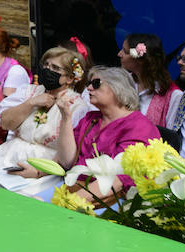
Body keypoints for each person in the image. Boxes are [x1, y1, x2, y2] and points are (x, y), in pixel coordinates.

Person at [0, 45, 90, 196]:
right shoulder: (29, 92)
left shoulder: (77, 107)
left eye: (55, 68)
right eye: (46, 65)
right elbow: (5, 123)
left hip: (45, 166)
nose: (47, 70)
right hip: (9, 156)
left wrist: (38, 172)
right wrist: (31, 103)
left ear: (70, 78)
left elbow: (69, 156)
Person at [43, 66, 159, 205]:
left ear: (118, 88)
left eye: (96, 84)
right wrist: (66, 117)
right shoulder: (91, 118)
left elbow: (118, 181)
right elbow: (67, 161)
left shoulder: (139, 126)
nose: (89, 88)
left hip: (110, 200)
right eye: (88, 84)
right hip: (73, 188)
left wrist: (69, 202)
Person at [116, 33, 181, 128]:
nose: (119, 54)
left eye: (125, 52)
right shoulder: (122, 82)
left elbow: (170, 135)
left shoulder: (173, 95)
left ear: (141, 60)